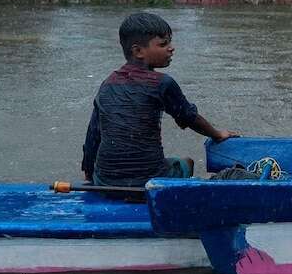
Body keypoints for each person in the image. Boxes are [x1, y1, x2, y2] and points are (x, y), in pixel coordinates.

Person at [82, 12, 236, 187]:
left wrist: (89, 175)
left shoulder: (108, 83)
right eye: (163, 44)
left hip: (105, 180)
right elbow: (189, 117)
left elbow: (93, 134)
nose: (171, 48)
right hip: (150, 180)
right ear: (138, 51)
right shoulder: (162, 83)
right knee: (187, 163)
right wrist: (217, 134)